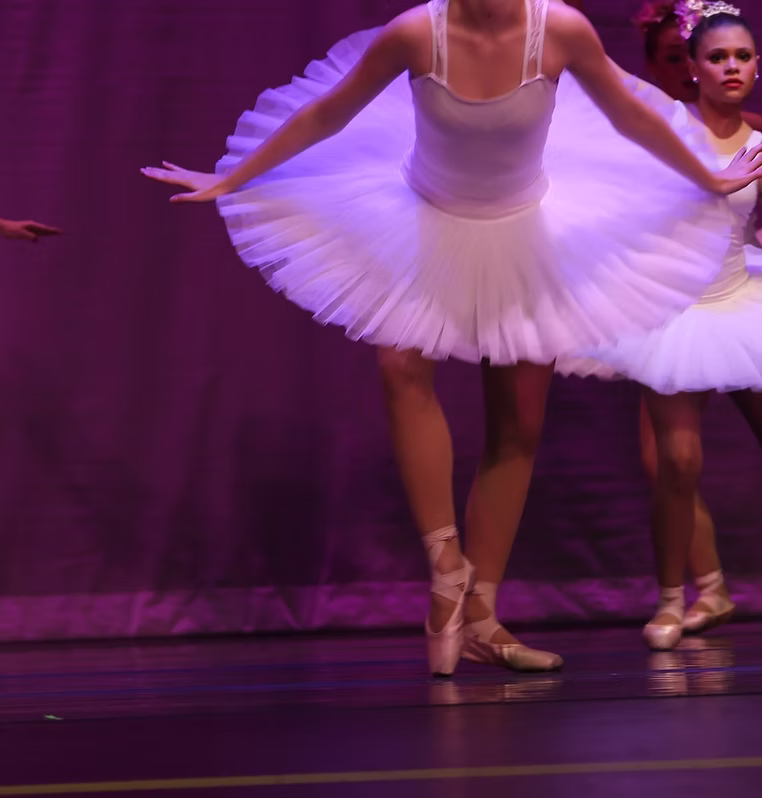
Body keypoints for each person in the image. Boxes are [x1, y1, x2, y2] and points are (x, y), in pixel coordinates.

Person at [142, 0, 762, 675]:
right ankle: (446, 568)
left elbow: (629, 115)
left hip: (530, 229)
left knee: (518, 423)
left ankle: (482, 618)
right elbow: (329, 113)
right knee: (400, 366)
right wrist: (234, 177)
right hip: (423, 216)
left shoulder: (559, 29)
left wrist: (708, 177)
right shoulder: (416, 33)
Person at [562, 2, 762, 651]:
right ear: (694, 70)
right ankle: (675, 599)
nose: (731, 67)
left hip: (743, 301)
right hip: (677, 313)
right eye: (717, 57)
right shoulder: (663, 136)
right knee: (676, 458)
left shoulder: (761, 142)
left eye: (743, 56)